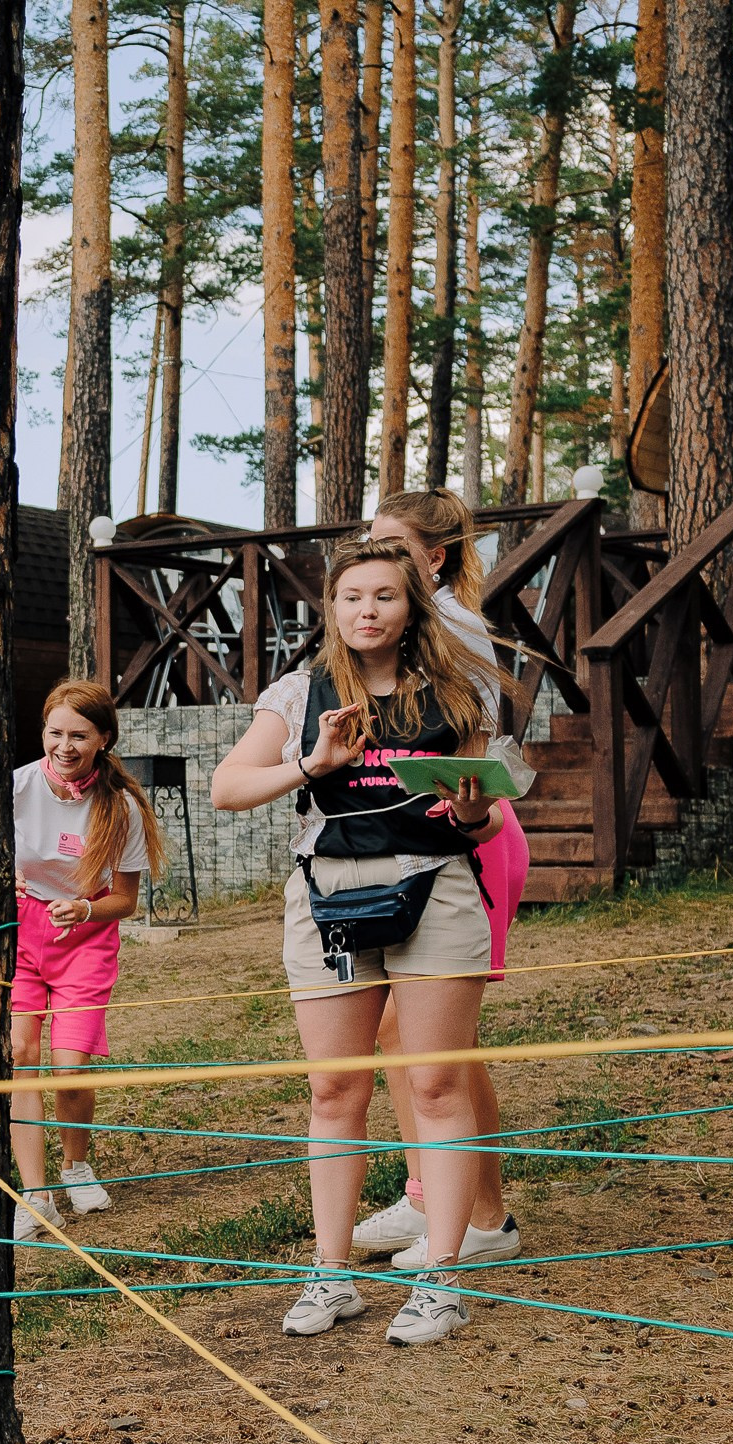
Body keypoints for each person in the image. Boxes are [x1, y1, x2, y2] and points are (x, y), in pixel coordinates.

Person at [210, 535, 509, 1347]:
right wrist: (311, 764)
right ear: (332, 608)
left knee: (437, 1086)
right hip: (328, 897)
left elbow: (484, 811)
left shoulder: (459, 693)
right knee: (334, 1092)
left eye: (384, 596)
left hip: (436, 889)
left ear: (412, 606)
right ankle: (330, 1274)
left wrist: (473, 811)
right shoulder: (298, 691)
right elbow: (228, 788)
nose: (366, 610)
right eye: (351, 597)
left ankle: (441, 1281)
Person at [350, 489, 528, 1273]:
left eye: (391, 543)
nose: (375, 555)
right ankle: (429, 1192)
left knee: (442, 1044)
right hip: (409, 833)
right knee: (397, 1032)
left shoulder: (448, 626)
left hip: (466, 835)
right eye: (370, 540)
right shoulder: (406, 620)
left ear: (435, 557)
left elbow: (469, 750)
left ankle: (484, 1219)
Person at [7, 681, 166, 1235]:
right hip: (21, 936)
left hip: (85, 936)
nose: (65, 745)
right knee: (20, 1055)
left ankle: (76, 1163)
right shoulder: (14, 788)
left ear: (103, 739)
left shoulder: (117, 807)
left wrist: (83, 908)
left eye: (79, 735)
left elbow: (125, 899)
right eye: (55, 733)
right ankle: (36, 1193)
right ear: (43, 733)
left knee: (69, 1068)